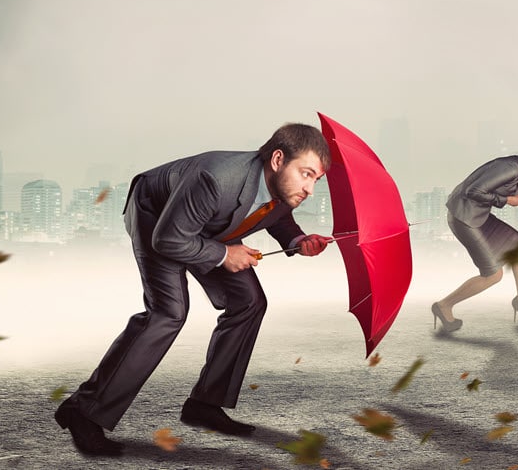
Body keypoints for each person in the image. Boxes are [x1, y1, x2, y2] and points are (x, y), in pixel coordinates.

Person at [54, 123, 333, 456]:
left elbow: (277, 215)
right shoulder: (215, 178)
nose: (310, 189)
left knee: (249, 301)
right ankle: (83, 410)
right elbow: (168, 239)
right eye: (306, 174)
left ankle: (205, 405)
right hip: (157, 216)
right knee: (168, 313)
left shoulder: (284, 187)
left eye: (316, 180)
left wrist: (298, 241)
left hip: (209, 225)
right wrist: (223, 254)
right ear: (277, 159)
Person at [432, 138, 518, 331]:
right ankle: (443, 306)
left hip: (479, 215)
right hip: (463, 217)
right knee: (493, 275)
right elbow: (472, 190)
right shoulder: (512, 168)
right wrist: (506, 200)